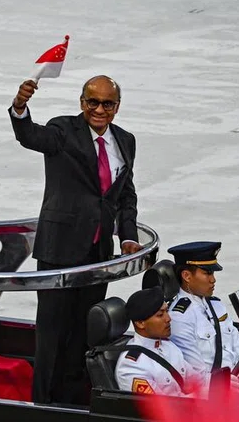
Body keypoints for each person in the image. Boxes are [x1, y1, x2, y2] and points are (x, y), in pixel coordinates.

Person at [9, 75, 143, 404]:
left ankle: (74, 400)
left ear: (117, 107)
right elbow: (29, 135)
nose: (99, 109)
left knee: (87, 332)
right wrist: (20, 107)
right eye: (92, 102)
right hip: (60, 250)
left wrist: (128, 237)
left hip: (99, 253)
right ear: (81, 103)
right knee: (52, 333)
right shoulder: (62, 130)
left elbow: (125, 196)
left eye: (106, 103)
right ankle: (43, 405)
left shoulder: (125, 141)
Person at [166, 241, 239, 389]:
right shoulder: (180, 318)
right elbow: (195, 373)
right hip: (218, 392)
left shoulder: (216, 306)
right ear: (186, 276)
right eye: (207, 273)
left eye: (213, 273)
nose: (213, 279)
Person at [116, 287, 199, 396]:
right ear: (140, 323)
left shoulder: (168, 346)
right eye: (160, 315)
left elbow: (197, 380)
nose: (168, 318)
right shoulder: (131, 366)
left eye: (167, 311)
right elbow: (164, 408)